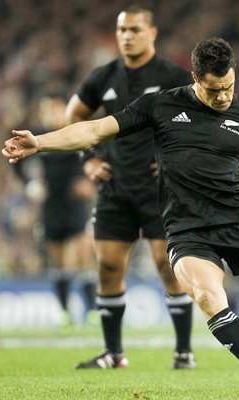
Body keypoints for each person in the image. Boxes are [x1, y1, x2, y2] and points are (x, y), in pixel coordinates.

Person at [3, 37, 239, 398]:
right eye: (214, 90)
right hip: (187, 230)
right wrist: (41, 142)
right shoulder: (159, 106)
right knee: (209, 296)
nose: (223, 97)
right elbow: (95, 130)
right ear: (194, 77)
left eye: (229, 88)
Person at [64, 7, 196, 370]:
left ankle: (184, 351)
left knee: (166, 265)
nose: (127, 36)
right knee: (107, 264)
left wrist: (176, 159)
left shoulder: (174, 76)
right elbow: (73, 115)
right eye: (122, 29)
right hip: (114, 185)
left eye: (135, 29)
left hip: (160, 188)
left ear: (152, 33)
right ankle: (113, 354)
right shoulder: (103, 76)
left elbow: (200, 122)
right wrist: (88, 159)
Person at [14, 94, 97, 326]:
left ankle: (91, 310)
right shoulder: (37, 138)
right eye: (47, 109)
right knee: (58, 258)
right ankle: (64, 312)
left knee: (83, 254)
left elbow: (94, 155)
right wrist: (30, 184)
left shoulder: (75, 133)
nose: (51, 114)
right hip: (51, 204)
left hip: (75, 204)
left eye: (55, 108)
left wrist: (88, 180)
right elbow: (16, 162)